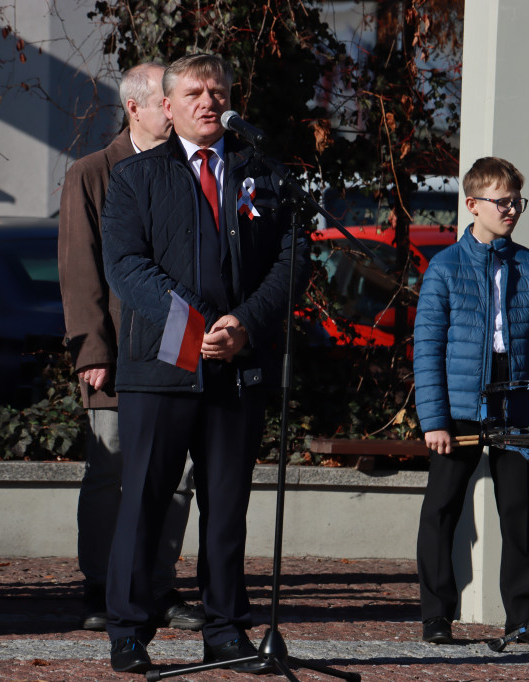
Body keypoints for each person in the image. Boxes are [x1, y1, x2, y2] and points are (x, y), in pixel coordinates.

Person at [100, 53, 308, 674]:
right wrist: (195, 323)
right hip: (161, 365)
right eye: (194, 92)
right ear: (167, 106)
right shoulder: (137, 177)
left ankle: (225, 629)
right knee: (144, 501)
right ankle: (130, 631)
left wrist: (244, 323)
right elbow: (127, 266)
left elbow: (293, 258)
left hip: (236, 367)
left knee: (227, 507)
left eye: (218, 90)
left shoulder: (261, 176)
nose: (208, 101)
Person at [58, 63, 202, 632]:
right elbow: (78, 269)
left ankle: (157, 584)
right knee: (111, 471)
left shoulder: (189, 167)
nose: (178, 109)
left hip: (179, 342)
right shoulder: (93, 173)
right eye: (168, 100)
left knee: (178, 474)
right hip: (118, 352)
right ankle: (101, 583)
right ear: (140, 108)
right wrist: (92, 350)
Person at [414, 157, 529, 644]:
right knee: (443, 507)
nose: (512, 211)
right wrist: (434, 418)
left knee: (519, 510)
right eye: (502, 202)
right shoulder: (445, 267)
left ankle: (521, 613)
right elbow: (428, 347)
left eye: (517, 202)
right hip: (459, 403)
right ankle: (437, 614)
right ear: (473, 204)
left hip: (516, 399)